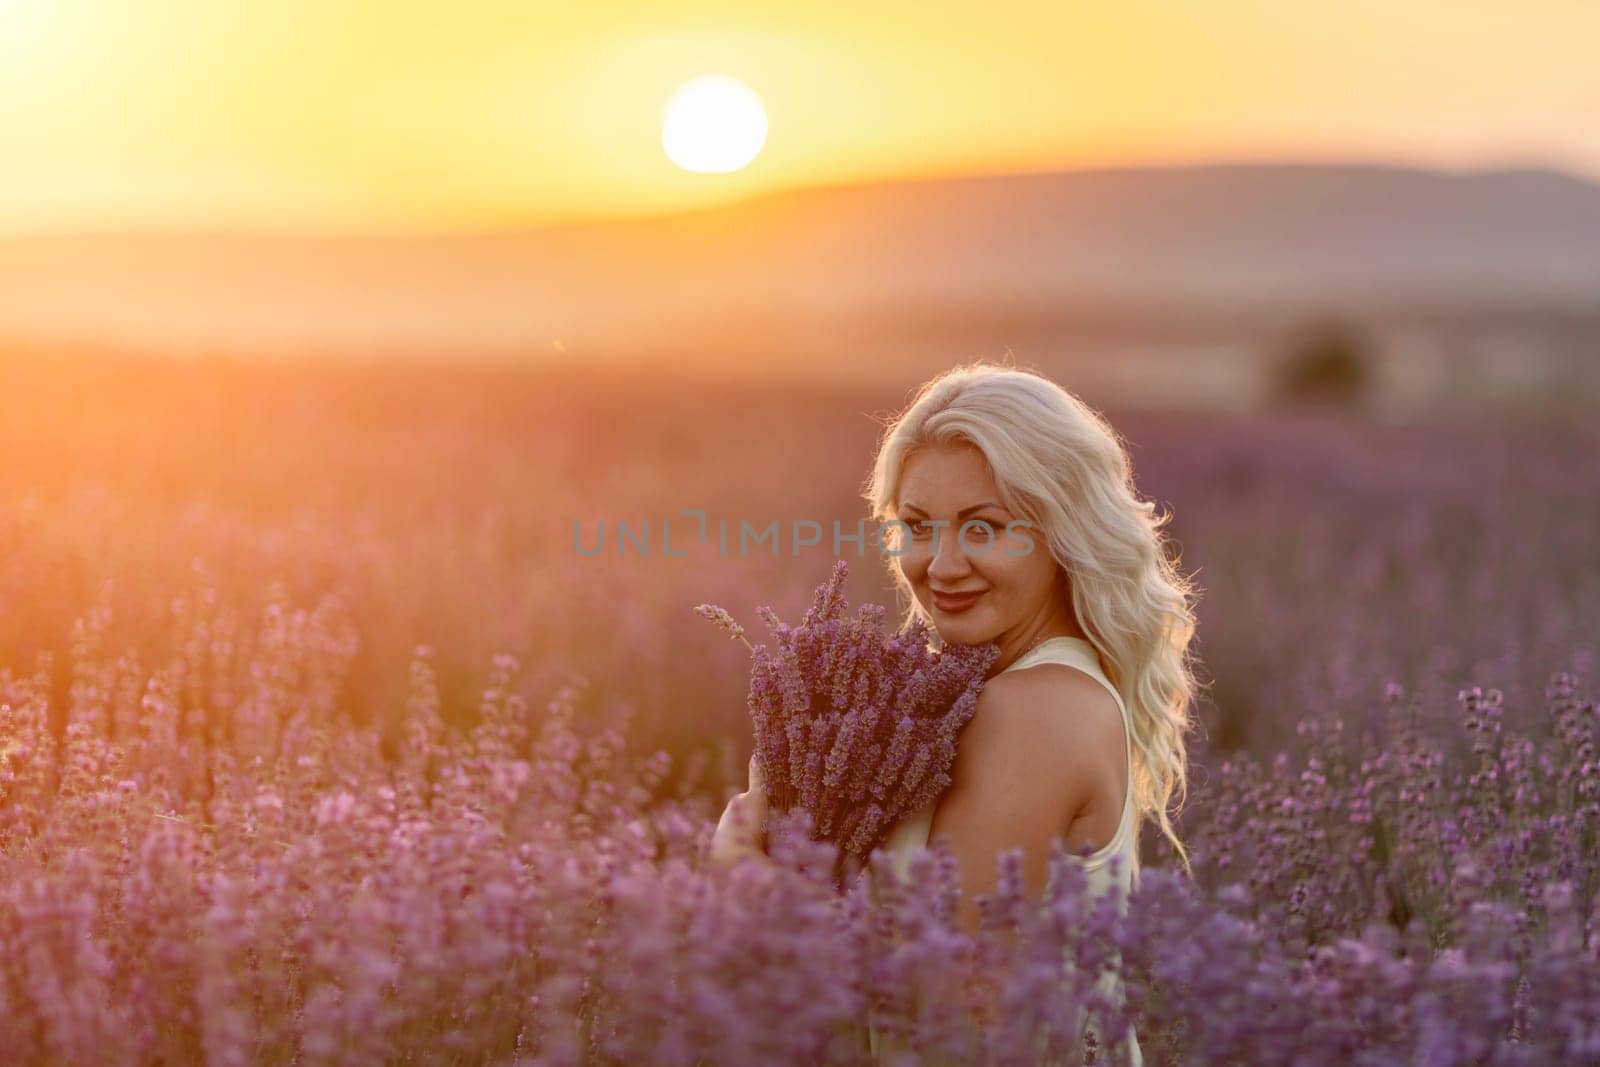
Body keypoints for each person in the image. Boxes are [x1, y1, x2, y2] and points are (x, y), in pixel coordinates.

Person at [712, 360, 1204, 1065]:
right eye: (915, 526)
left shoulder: (1034, 712)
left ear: (1060, 531)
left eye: (982, 528)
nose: (940, 565)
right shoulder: (1023, 691)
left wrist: (745, 892)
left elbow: (942, 1017)